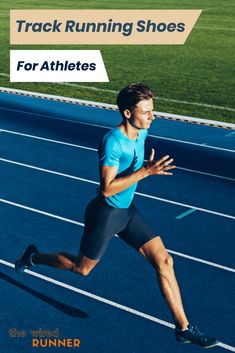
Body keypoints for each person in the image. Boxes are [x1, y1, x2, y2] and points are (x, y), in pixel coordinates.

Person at [15, 83, 219, 348]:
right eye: (145, 112)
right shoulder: (112, 141)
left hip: (128, 212)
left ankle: (183, 328)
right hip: (106, 214)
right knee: (82, 269)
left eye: (152, 110)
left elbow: (129, 171)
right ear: (126, 113)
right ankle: (32, 256)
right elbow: (107, 187)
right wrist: (145, 172)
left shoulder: (141, 134)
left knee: (165, 261)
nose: (152, 117)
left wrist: (143, 167)